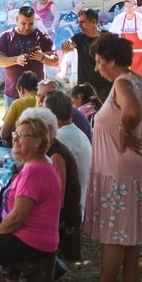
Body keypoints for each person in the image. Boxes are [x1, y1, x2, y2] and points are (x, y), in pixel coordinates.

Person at [80, 34, 142, 282]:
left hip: (120, 171)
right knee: (130, 232)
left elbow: (134, 110)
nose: (98, 67)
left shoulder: (123, 83)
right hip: (135, 166)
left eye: (100, 61)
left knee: (114, 236)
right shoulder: (138, 80)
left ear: (112, 60)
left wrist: (127, 129)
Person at [0, 117, 62, 282]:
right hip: (38, 236)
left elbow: (18, 218)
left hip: (33, 239)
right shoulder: (39, 164)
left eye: (22, 135)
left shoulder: (35, 170)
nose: (15, 139)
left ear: (37, 141)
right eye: (15, 134)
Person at [17, 108, 82, 261]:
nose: (21, 138)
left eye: (27, 133)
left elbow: (58, 202)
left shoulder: (55, 155)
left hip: (62, 227)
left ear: (47, 130)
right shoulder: (47, 150)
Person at [0, 5, 58, 111]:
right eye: (23, 23)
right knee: (13, 125)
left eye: (30, 23)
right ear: (17, 20)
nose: (27, 27)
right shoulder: (7, 36)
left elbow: (55, 61)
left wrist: (42, 57)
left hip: (38, 94)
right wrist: (16, 60)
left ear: (35, 21)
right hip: (13, 92)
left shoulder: (42, 37)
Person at [44, 90, 92, 218]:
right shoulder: (73, 131)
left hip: (70, 213)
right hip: (80, 203)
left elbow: (56, 191)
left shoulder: (61, 139)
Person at [61, 8, 112, 102]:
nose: (79, 25)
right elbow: (67, 46)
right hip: (85, 88)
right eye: (78, 22)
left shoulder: (108, 38)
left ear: (93, 22)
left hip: (105, 86)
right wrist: (66, 46)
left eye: (82, 22)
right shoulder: (79, 38)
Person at [36, 78, 92, 142]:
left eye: (45, 96)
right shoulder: (53, 116)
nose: (40, 100)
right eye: (39, 95)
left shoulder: (71, 117)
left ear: (59, 97)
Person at [110, 0, 142, 77]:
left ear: (136, 7)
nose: (129, 9)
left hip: (140, 52)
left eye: (131, 6)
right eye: (127, 7)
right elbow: (112, 34)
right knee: (125, 75)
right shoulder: (118, 19)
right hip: (125, 52)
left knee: (139, 76)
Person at [0, 70, 38, 143]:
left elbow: (4, 134)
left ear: (21, 89)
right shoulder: (44, 101)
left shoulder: (17, 104)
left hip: (22, 144)